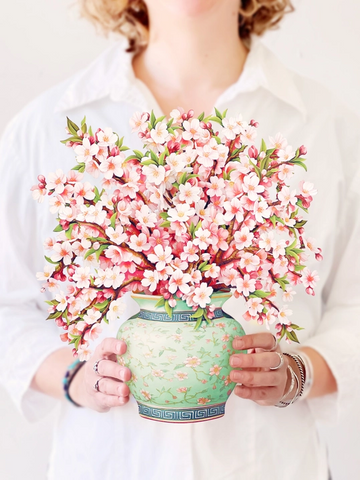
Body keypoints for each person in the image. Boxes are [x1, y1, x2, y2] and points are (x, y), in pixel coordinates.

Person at [1, 1, 359, 479]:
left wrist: (297, 373)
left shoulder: (323, 124)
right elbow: (9, 303)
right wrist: (74, 377)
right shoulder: (44, 127)